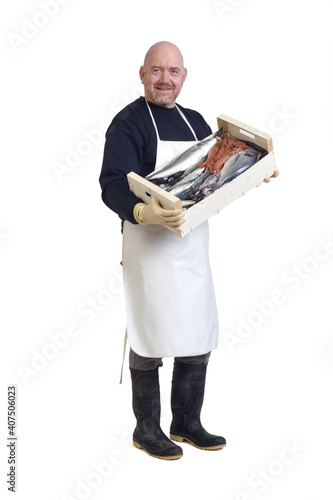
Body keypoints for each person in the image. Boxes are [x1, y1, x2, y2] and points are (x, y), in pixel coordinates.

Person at [99, 41, 226, 460]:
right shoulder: (128, 123)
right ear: (142, 74)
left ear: (184, 76)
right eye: (156, 71)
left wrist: (251, 172)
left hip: (191, 251)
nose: (165, 79)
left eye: (173, 71)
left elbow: (211, 175)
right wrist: (142, 211)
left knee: (198, 333)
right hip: (148, 250)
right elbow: (112, 182)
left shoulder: (196, 122)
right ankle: (146, 429)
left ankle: (187, 423)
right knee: (148, 336)